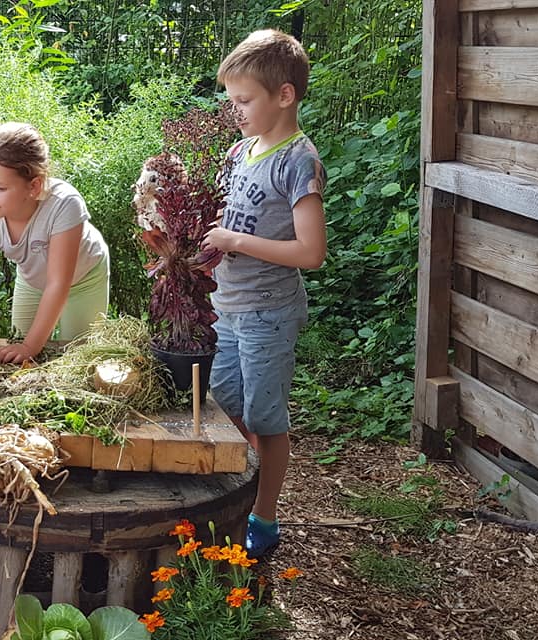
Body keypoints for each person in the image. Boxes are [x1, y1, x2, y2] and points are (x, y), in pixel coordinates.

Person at [202, 29, 328, 558]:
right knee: (223, 405)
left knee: (265, 420)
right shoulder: (242, 149)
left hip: (268, 314)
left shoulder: (298, 161)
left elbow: (310, 252)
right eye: (231, 101)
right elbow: (236, 217)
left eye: (245, 101)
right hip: (228, 307)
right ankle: (235, 496)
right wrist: (207, 239)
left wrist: (235, 239)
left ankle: (265, 516)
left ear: (284, 95)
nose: (236, 111)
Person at [0, 122, 110, 364]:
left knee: (80, 358)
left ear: (34, 185)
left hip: (84, 278)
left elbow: (59, 282)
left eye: (0, 187)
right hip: (32, 280)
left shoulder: (64, 204)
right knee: (17, 351)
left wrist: (30, 345)